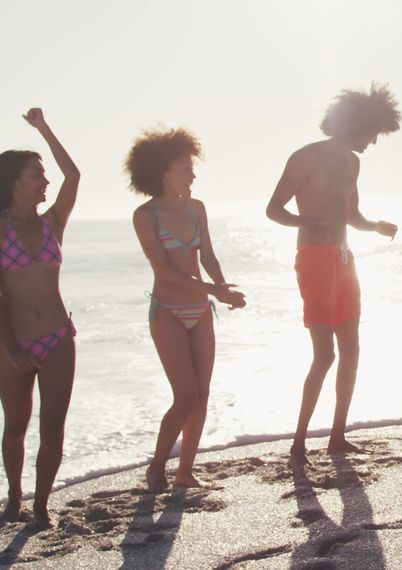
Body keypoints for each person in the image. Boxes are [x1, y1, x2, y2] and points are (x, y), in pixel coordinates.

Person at [266, 84, 400, 468]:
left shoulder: (354, 163)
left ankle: (338, 437)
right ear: (361, 123)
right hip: (314, 259)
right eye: (375, 132)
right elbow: (273, 208)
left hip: (345, 258)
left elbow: (352, 215)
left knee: (352, 351)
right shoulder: (305, 157)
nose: (375, 141)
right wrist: (305, 220)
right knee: (324, 355)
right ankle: (298, 443)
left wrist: (376, 226)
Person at [130, 127, 246, 492]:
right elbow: (164, 270)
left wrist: (222, 287)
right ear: (163, 170)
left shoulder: (197, 208)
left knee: (203, 394)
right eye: (185, 167)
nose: (192, 175)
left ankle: (185, 471)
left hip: (200, 311)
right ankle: (157, 466)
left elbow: (207, 254)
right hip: (167, 312)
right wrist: (214, 289)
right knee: (186, 395)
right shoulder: (145, 215)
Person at [0, 108, 79, 527]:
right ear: (14, 180)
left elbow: (73, 177)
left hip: (57, 337)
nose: (45, 180)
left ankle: (41, 505)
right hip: (13, 343)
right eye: (35, 173)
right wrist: (9, 347)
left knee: (53, 427)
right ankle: (14, 497)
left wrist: (45, 129)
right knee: (15, 425)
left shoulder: (53, 223)